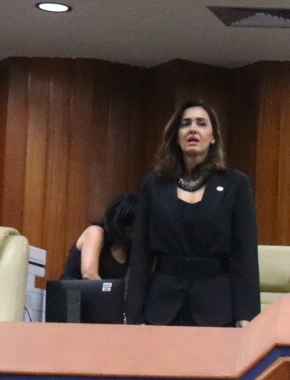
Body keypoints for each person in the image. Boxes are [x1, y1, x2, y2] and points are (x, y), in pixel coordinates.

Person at [125, 102, 260, 327]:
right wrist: (133, 314)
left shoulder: (236, 184)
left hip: (217, 308)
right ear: (176, 136)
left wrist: (246, 314)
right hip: (161, 308)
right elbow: (141, 253)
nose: (193, 129)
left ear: (213, 137)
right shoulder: (154, 185)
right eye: (185, 124)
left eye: (201, 124)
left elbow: (244, 255)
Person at [61, 191, 138, 281]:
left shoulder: (128, 248)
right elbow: (89, 274)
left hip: (98, 289)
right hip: (74, 289)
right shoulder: (96, 232)